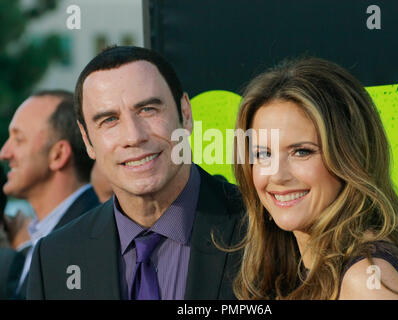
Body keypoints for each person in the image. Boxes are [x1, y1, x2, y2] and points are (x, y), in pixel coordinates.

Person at [27, 46, 244, 300]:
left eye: (148, 109)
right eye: (109, 120)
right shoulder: (54, 259)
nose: (133, 136)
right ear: (87, 140)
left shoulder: (260, 227)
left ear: (185, 114)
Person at [232, 57, 398, 300]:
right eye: (262, 154)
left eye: (302, 152)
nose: (277, 175)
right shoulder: (293, 265)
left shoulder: (366, 280)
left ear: (350, 158)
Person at [0, 90, 100, 299]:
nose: (4, 153)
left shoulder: (94, 237)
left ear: (58, 155)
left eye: (18, 139)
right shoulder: (30, 242)